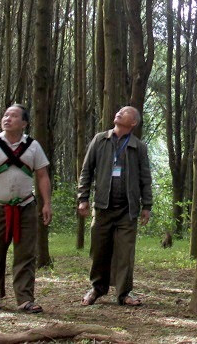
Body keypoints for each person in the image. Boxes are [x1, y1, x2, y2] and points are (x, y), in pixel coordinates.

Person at [0, 103, 52, 313]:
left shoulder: (33, 146)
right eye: (5, 115)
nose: (7, 119)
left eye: (13, 116)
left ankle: (25, 299)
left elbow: (42, 175)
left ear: (24, 123)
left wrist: (46, 204)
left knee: (25, 253)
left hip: (26, 207)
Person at [78, 105, 152, 307]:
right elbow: (87, 171)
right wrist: (82, 197)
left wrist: (147, 205)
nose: (119, 112)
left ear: (133, 123)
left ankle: (124, 293)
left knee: (125, 254)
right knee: (99, 250)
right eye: (118, 110)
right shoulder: (100, 140)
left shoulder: (138, 147)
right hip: (102, 207)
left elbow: (145, 178)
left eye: (125, 111)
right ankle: (97, 288)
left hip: (127, 210)